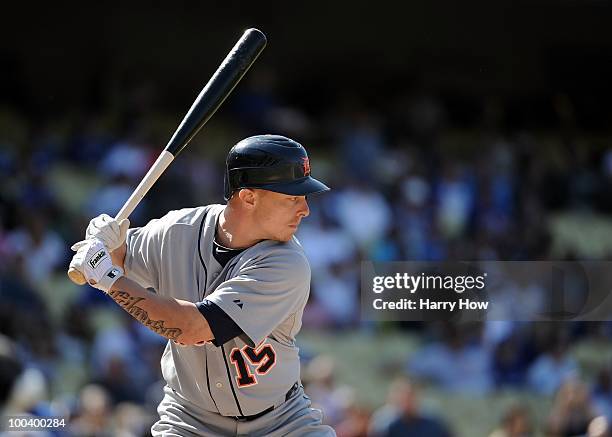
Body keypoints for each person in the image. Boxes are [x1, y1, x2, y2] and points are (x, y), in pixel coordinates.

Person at [69, 135, 336, 436]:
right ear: (248, 197)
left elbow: (192, 328)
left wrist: (106, 275)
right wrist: (105, 241)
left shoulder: (287, 263)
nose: (305, 209)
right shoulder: (177, 230)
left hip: (280, 422)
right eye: (292, 198)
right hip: (190, 421)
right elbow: (118, 258)